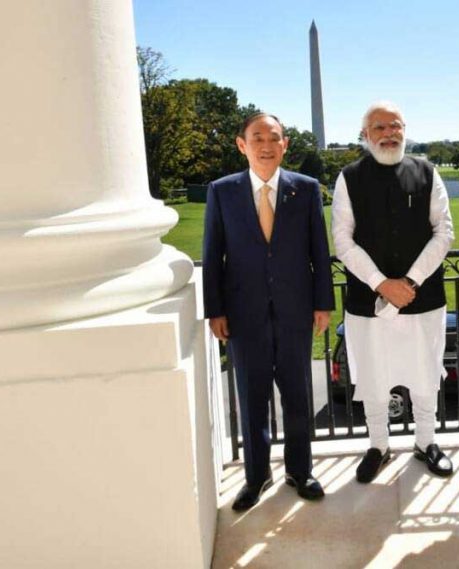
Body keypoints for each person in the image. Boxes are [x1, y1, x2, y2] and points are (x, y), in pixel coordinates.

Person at [203, 113, 334, 509]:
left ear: (285, 144)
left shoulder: (306, 189)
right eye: (257, 137)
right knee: (252, 396)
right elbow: (213, 256)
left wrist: (322, 303)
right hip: (243, 317)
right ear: (241, 144)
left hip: (296, 313)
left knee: (297, 397)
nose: (266, 144)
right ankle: (256, 477)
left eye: (273, 138)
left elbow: (318, 252)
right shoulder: (222, 191)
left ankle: (300, 470)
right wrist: (216, 310)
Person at [332, 101, 456, 483]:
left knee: (424, 373)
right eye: (379, 127)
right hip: (368, 301)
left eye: (395, 125)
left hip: (423, 298)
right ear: (365, 135)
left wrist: (411, 282)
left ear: (405, 129)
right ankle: (378, 446)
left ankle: (426, 442)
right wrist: (382, 284)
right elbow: (342, 239)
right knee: (373, 376)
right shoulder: (348, 177)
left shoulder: (427, 172)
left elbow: (444, 232)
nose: (389, 133)